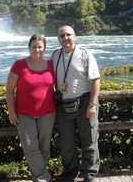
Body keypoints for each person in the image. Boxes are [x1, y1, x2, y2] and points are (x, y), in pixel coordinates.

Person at [51, 25, 100, 182]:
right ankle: (70, 172)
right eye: (62, 36)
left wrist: (92, 104)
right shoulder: (55, 55)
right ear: (58, 39)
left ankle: (89, 172)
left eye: (68, 35)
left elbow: (95, 80)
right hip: (63, 105)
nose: (65, 38)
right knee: (66, 143)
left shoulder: (85, 54)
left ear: (75, 36)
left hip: (84, 102)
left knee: (89, 139)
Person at [6, 34, 56, 182]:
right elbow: (9, 90)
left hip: (48, 112)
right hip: (24, 114)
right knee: (30, 147)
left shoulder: (51, 65)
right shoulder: (19, 65)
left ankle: (39, 177)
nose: (37, 50)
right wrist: (11, 112)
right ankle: (43, 178)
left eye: (40, 47)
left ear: (44, 48)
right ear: (29, 48)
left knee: (44, 148)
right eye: (34, 47)